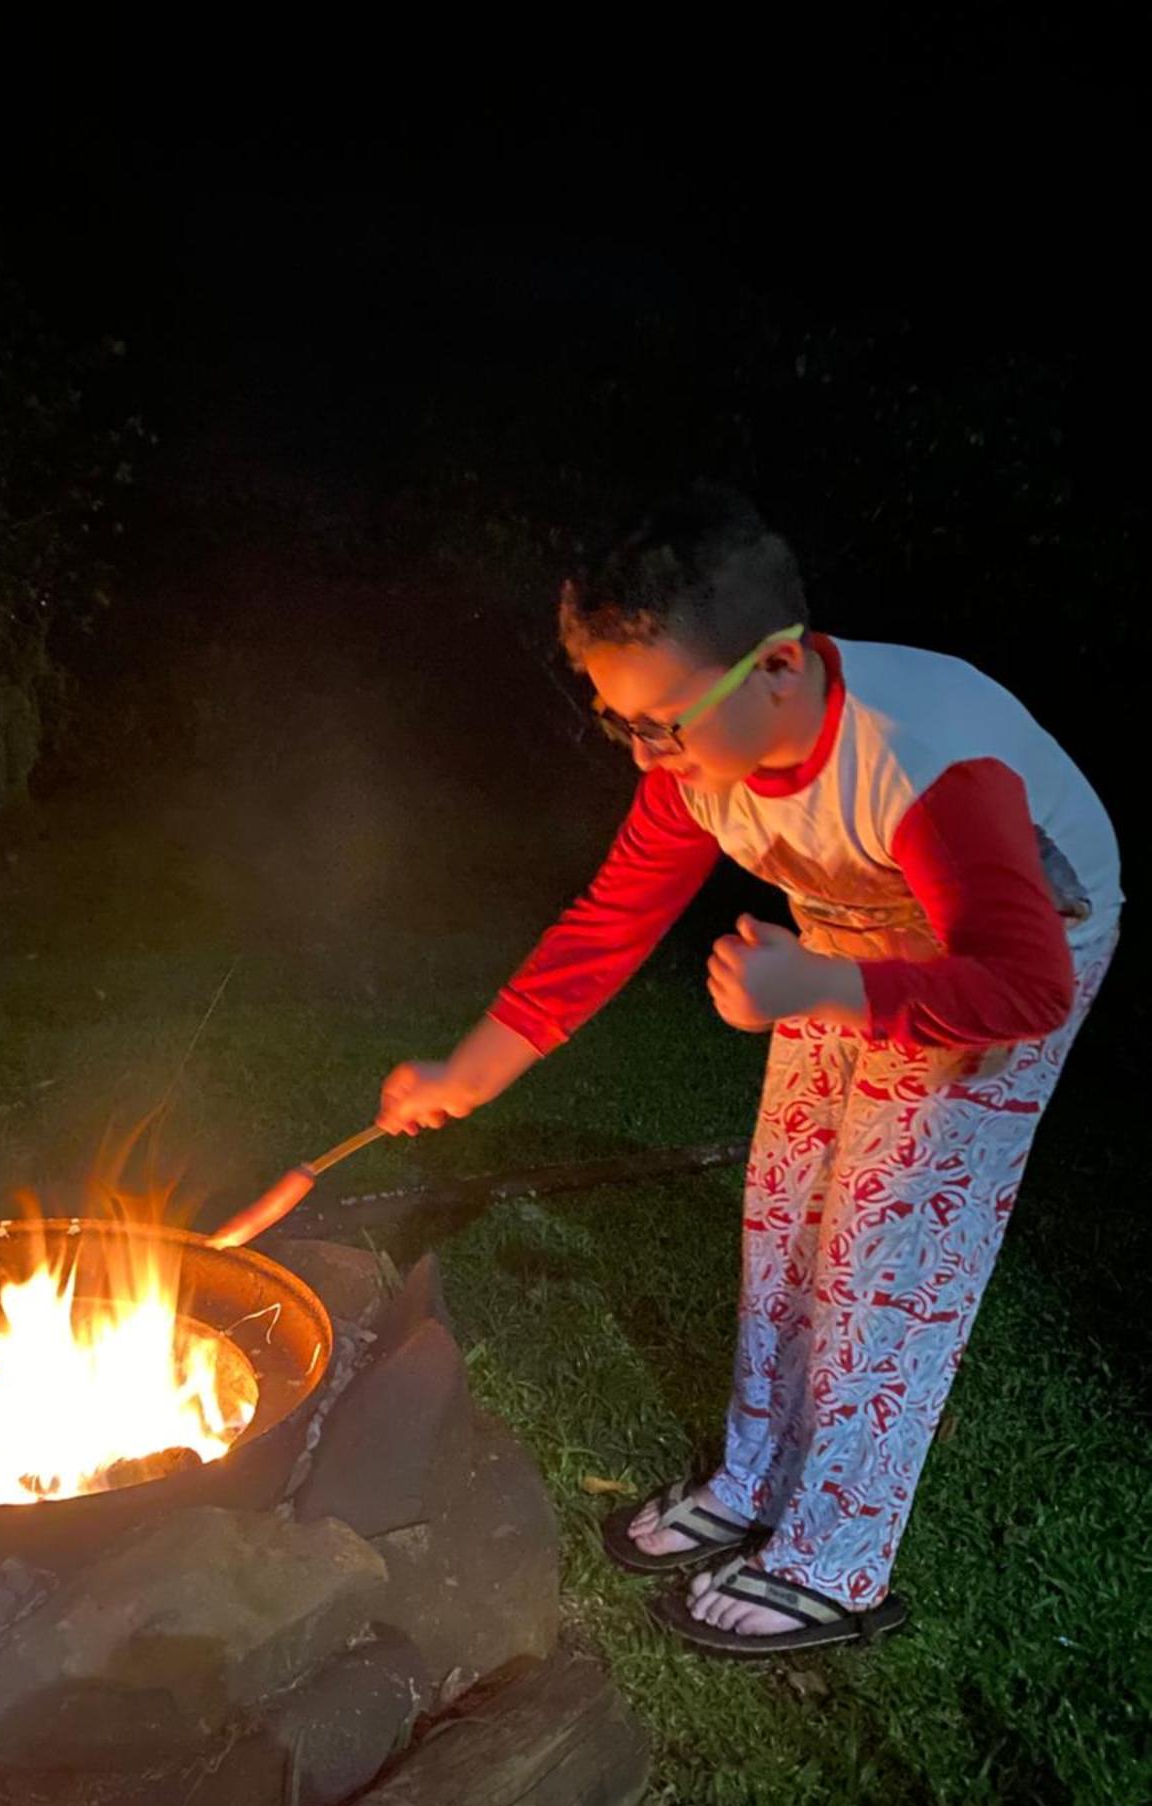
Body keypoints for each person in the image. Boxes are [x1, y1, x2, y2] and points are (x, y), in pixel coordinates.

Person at [375, 485, 1122, 1657]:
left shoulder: (923, 764)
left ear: (778, 668)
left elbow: (1025, 988)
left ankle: (837, 1556)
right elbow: (613, 918)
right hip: (849, 926)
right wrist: (472, 1066)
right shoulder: (696, 769)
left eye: (661, 721)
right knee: (785, 1208)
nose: (645, 753)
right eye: (620, 722)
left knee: (885, 1242)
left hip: (1013, 946)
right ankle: (754, 1480)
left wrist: (826, 988)